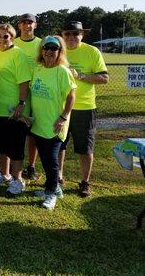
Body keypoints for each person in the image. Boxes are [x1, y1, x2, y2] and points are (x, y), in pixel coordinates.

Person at [60, 20, 109, 197]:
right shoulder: (58, 50)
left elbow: (104, 78)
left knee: (85, 148)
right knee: (59, 145)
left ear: (82, 34)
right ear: (63, 35)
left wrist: (80, 75)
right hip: (60, 107)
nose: (72, 37)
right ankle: (58, 178)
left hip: (85, 108)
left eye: (76, 33)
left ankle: (85, 182)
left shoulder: (91, 51)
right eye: (68, 33)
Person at [30, 36, 76, 210]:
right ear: (41, 51)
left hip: (55, 125)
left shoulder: (62, 71)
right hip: (39, 124)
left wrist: (63, 117)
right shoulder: (38, 69)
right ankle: (54, 188)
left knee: (51, 160)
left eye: (53, 48)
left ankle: (51, 194)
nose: (49, 51)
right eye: (46, 48)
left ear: (59, 52)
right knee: (45, 158)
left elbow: (72, 96)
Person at [0, 23, 31, 196]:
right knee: (1, 145)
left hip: (13, 110)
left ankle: (18, 179)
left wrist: (21, 103)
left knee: (16, 145)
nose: (2, 39)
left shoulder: (18, 54)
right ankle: (4, 174)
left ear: (12, 36)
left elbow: (24, 81)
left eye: (5, 36)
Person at [15, 13, 43, 182]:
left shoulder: (41, 44)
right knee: (17, 131)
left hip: (37, 93)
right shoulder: (13, 43)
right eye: (24, 23)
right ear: (19, 26)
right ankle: (14, 166)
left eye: (30, 23)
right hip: (18, 92)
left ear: (35, 25)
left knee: (34, 133)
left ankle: (31, 166)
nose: (27, 26)